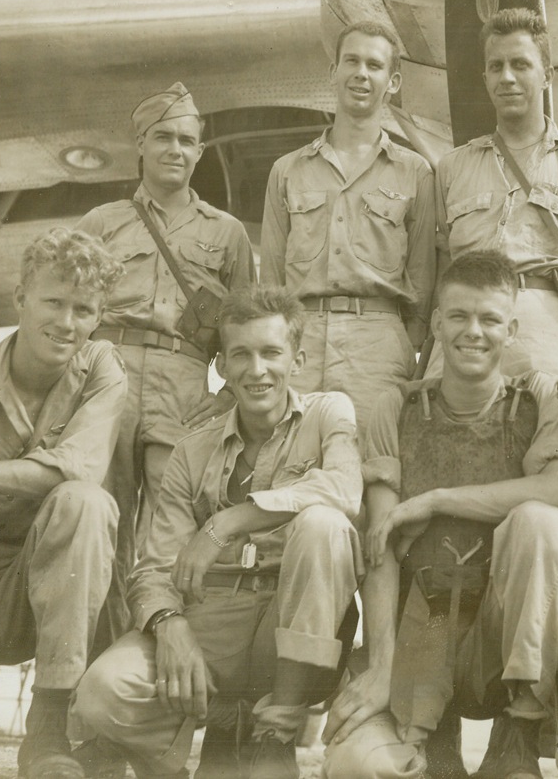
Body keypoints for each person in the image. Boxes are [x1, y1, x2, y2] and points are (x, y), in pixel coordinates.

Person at [71, 286, 362, 779]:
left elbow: (344, 488)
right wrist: (170, 625)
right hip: (211, 618)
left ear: (299, 359)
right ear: (221, 367)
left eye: (271, 353)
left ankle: (275, 731)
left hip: (288, 624)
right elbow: (155, 566)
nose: (257, 369)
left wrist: (228, 521)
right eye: (240, 355)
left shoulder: (329, 411)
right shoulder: (191, 450)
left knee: (324, 525)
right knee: (101, 692)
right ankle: (190, 750)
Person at [321, 250, 558, 779]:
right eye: (458, 316)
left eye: (489, 319)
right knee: (357, 767)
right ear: (436, 323)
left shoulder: (537, 400)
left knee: (542, 524)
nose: (473, 332)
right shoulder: (398, 406)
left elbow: (557, 490)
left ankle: (518, 733)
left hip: (501, 633)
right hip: (426, 630)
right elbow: (383, 544)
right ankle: (433, 738)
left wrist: (437, 499)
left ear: (511, 329)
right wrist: (383, 665)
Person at [0, 227, 126, 779]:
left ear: (98, 316)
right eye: (53, 302)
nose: (66, 322)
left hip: (46, 574)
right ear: (19, 299)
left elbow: (81, 466)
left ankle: (48, 728)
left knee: (85, 503)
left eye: (83, 309)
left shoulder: (102, 368)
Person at [77, 81, 257, 641]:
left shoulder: (226, 234)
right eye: (162, 138)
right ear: (141, 145)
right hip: (107, 374)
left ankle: (148, 666)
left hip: (182, 386)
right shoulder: (101, 223)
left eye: (186, 140)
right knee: (95, 524)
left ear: (200, 151)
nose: (175, 149)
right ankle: (77, 680)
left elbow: (246, 326)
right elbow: (70, 313)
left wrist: (225, 402)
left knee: (167, 531)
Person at [432, 7, 558, 394]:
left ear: (547, 75)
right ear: (485, 77)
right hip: (464, 333)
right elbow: (441, 274)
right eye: (496, 66)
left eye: (521, 64)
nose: (507, 77)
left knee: (556, 441)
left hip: (548, 331)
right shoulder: (450, 168)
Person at [260, 21, 436, 440]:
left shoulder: (415, 172)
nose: (361, 73)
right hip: (298, 343)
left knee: (370, 469)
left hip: (377, 349)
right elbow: (270, 280)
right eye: (351, 61)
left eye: (374, 65)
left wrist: (396, 346)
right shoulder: (287, 171)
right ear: (332, 71)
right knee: (286, 461)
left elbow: (424, 281)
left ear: (392, 82)